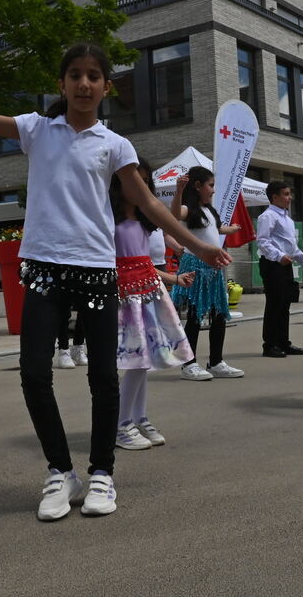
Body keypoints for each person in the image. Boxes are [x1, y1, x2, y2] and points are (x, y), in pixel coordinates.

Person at [0, 43, 229, 521]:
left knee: (104, 377)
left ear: (106, 87)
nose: (84, 84)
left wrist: (197, 244)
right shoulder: (38, 129)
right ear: (62, 83)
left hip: (95, 268)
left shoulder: (115, 144)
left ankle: (103, 473)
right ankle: (60, 472)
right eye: (74, 75)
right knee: (33, 373)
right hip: (43, 267)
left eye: (93, 77)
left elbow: (148, 204)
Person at [110, 158, 194, 451]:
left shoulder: (145, 222)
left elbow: (144, 262)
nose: (139, 186)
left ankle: (137, 417)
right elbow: (115, 262)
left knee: (144, 363)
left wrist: (172, 277)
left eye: (145, 182)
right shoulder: (110, 220)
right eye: (132, 180)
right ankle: (120, 425)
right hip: (124, 298)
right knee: (136, 361)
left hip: (148, 293)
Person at [171, 167, 243, 381]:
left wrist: (232, 229)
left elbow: (216, 230)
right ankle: (188, 364)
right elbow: (173, 216)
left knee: (219, 314)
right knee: (194, 316)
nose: (213, 190)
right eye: (210, 185)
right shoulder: (187, 209)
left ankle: (216, 361)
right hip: (195, 266)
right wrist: (178, 191)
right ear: (197, 186)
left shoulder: (210, 211)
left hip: (214, 268)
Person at [257, 180, 303, 358]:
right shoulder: (268, 216)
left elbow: (292, 247)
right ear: (274, 197)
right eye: (286, 194)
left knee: (284, 304)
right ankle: (270, 345)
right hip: (273, 265)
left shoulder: (287, 218)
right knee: (274, 304)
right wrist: (279, 256)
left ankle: (283, 342)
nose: (290, 198)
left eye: (290, 194)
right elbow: (263, 241)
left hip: (285, 265)